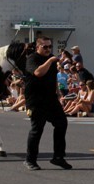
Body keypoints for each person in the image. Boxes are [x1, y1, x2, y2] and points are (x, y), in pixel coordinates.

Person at [23, 36, 71, 171]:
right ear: (37, 47)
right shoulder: (32, 59)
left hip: (51, 99)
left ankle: (58, 157)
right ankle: (30, 160)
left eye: (50, 47)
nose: (48, 49)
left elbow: (53, 77)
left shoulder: (51, 59)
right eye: (45, 47)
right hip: (36, 100)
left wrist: (58, 92)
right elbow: (38, 73)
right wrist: (50, 60)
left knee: (62, 123)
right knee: (37, 129)